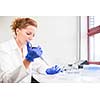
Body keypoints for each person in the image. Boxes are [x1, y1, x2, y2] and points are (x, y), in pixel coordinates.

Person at [0, 17, 61, 83]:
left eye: (33, 35)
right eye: (28, 34)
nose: (31, 38)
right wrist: (28, 59)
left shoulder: (27, 48)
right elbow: (6, 80)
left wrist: (47, 70)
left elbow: (37, 65)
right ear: (17, 31)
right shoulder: (3, 48)